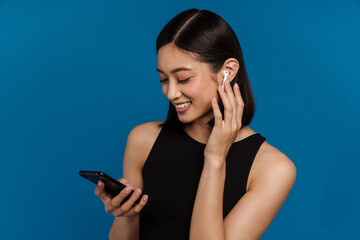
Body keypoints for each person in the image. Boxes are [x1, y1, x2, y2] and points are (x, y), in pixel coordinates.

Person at [95, 8, 296, 240]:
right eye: (163, 79)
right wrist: (125, 215)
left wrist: (215, 159)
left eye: (183, 79)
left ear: (227, 72)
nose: (170, 93)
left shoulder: (273, 169)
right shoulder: (142, 139)